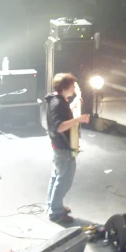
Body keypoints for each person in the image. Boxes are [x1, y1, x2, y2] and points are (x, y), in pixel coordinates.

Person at [45, 73, 90, 224]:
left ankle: (53, 206)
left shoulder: (56, 100)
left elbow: (63, 115)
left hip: (58, 146)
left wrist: (74, 104)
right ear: (65, 88)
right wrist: (79, 119)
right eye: (72, 86)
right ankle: (56, 212)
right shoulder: (58, 103)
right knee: (64, 180)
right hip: (63, 148)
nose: (74, 89)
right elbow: (60, 126)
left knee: (57, 177)